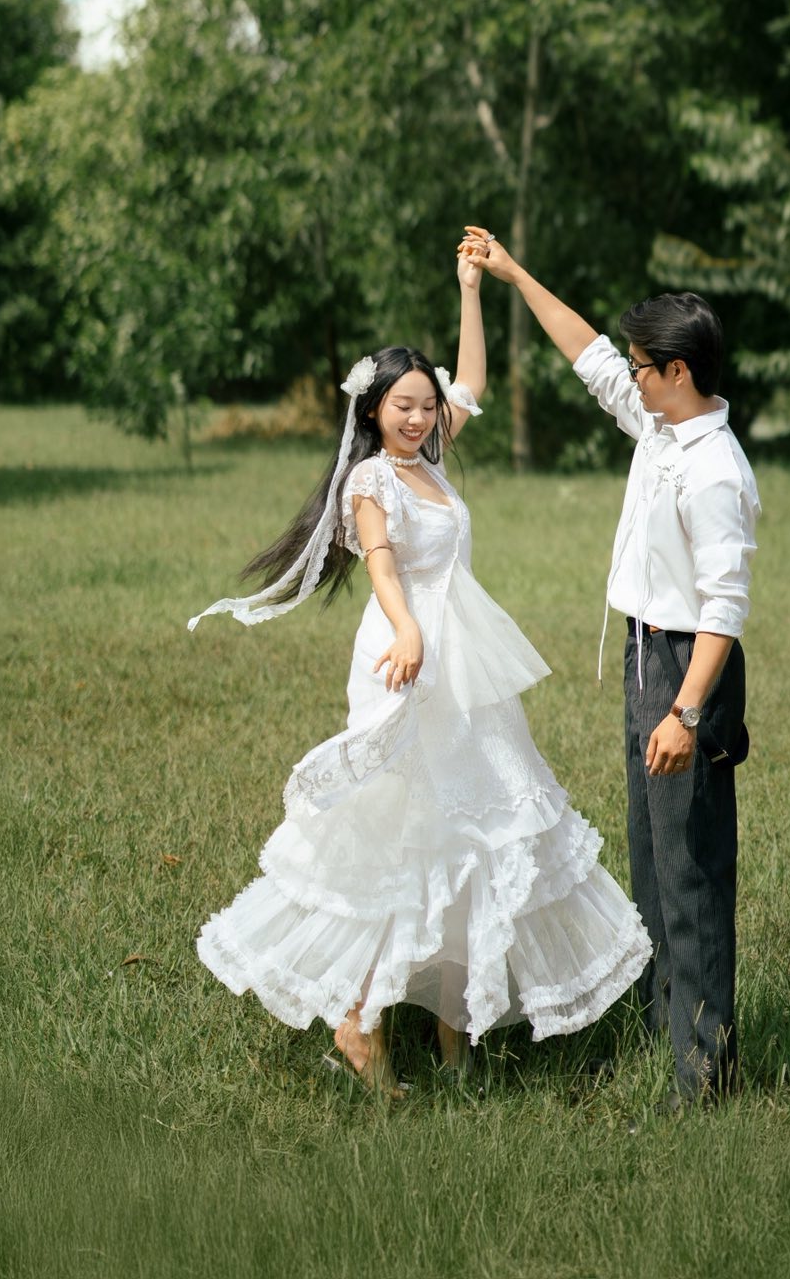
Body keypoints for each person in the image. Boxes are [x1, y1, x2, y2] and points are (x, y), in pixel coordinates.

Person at [187, 249, 650, 1093]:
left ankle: (453, 1028)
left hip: (466, 663)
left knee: (473, 824)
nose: (418, 418)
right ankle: (360, 1024)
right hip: (409, 653)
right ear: (372, 408)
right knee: (404, 826)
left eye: (425, 407)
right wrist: (406, 633)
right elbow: (381, 564)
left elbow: (471, 373)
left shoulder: (431, 460)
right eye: (403, 407)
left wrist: (472, 290)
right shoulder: (372, 477)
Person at [459, 228, 759, 1109]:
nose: (627, 375)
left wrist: (685, 713)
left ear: (676, 371)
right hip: (643, 660)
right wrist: (513, 276)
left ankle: (704, 1079)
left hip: (684, 671)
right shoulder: (661, 429)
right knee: (651, 865)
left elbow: (725, 610)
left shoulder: (713, 471)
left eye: (640, 365)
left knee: (692, 872)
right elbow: (585, 353)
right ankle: (664, 1036)